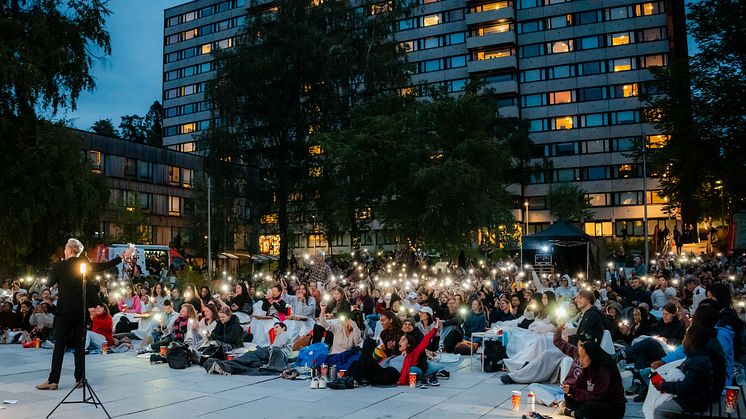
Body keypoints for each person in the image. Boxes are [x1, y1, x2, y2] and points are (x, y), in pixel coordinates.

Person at [36, 238, 131, 390]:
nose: (64, 251)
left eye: (66, 249)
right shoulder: (83, 265)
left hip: (64, 311)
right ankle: (80, 379)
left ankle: (53, 381)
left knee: (59, 346)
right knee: (79, 346)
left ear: (69, 250)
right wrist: (121, 257)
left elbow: (49, 283)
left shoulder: (60, 265)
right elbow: (102, 266)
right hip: (80, 311)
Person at [651, 324, 717, 419]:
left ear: (691, 340)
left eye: (685, 336)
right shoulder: (696, 357)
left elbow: (687, 386)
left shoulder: (698, 361)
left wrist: (664, 386)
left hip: (694, 401)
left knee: (659, 410)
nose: (683, 340)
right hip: (694, 397)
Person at [561, 340, 626, 419]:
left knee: (589, 407)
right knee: (569, 397)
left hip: (611, 406)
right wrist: (570, 390)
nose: (580, 360)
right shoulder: (589, 365)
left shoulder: (604, 370)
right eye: (580, 356)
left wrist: (574, 392)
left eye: (583, 356)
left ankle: (573, 413)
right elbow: (580, 385)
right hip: (595, 400)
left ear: (592, 355)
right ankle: (579, 412)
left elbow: (596, 396)